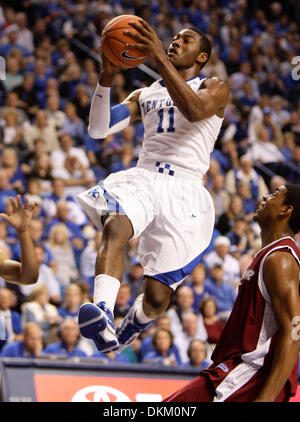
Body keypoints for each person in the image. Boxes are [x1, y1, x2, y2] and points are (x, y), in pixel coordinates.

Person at [77, 20, 229, 353]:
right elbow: (99, 129)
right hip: (144, 177)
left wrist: (158, 56)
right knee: (115, 226)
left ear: (201, 56)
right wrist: (106, 75)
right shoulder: (146, 93)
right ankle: (102, 310)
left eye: (185, 40)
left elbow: (194, 109)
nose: (175, 42)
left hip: (185, 188)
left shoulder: (214, 87)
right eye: (173, 38)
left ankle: (133, 322)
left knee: (158, 297)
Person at [164, 184, 300, 402]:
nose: (265, 196)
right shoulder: (267, 255)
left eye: (275, 195)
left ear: (286, 210)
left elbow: (294, 333)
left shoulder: (280, 259)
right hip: (235, 369)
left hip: (252, 374)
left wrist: (265, 398)